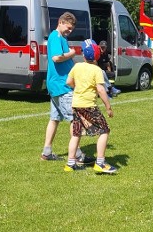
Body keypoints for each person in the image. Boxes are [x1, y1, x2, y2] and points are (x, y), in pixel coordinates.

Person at [40, 12, 92, 164]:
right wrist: (72, 53)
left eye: (72, 29)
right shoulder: (55, 36)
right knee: (74, 119)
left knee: (54, 118)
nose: (70, 31)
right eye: (68, 27)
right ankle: (77, 154)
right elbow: (56, 58)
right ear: (61, 22)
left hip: (56, 84)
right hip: (62, 85)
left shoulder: (61, 37)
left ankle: (47, 152)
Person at [64, 39, 116, 174]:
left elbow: (69, 81)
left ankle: (70, 164)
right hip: (89, 106)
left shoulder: (77, 66)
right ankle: (100, 162)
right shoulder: (96, 70)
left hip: (76, 105)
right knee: (104, 130)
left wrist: (78, 88)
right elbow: (101, 89)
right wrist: (108, 107)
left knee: (76, 134)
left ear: (83, 55)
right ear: (97, 55)